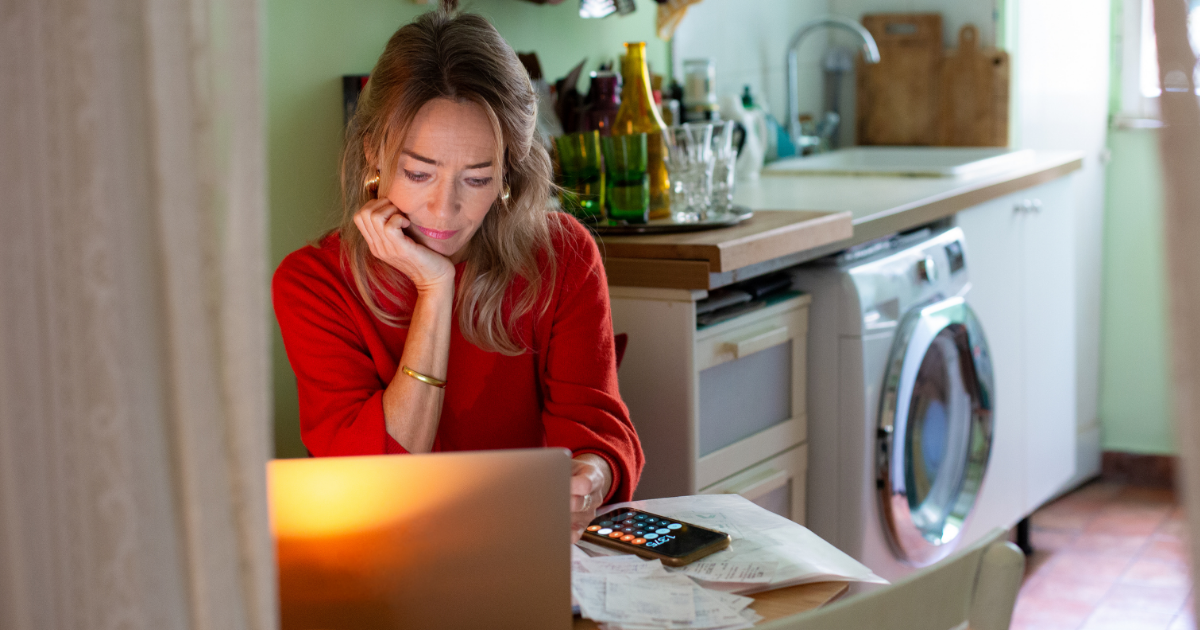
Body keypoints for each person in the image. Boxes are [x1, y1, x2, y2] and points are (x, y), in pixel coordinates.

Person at [272, 0, 643, 542]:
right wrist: (435, 288)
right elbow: (380, 479)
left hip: (534, 552)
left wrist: (592, 474)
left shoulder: (562, 255)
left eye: (476, 179)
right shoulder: (313, 285)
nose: (444, 211)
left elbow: (596, 427)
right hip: (386, 568)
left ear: (510, 172)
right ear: (374, 154)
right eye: (419, 173)